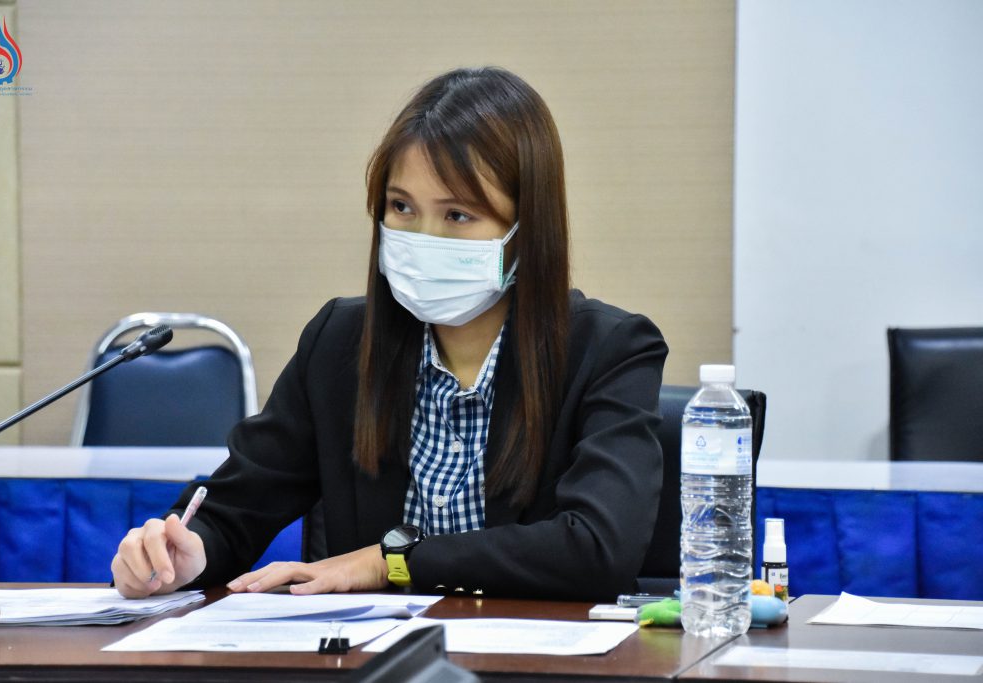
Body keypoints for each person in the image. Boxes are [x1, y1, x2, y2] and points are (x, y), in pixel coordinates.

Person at [112, 66, 667, 602]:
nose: (422, 237)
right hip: (370, 652)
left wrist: (389, 562)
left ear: (527, 230)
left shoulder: (609, 351)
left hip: (534, 652)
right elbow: (236, 509)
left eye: (457, 215)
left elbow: (598, 548)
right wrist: (183, 554)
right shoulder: (338, 344)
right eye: (402, 207)